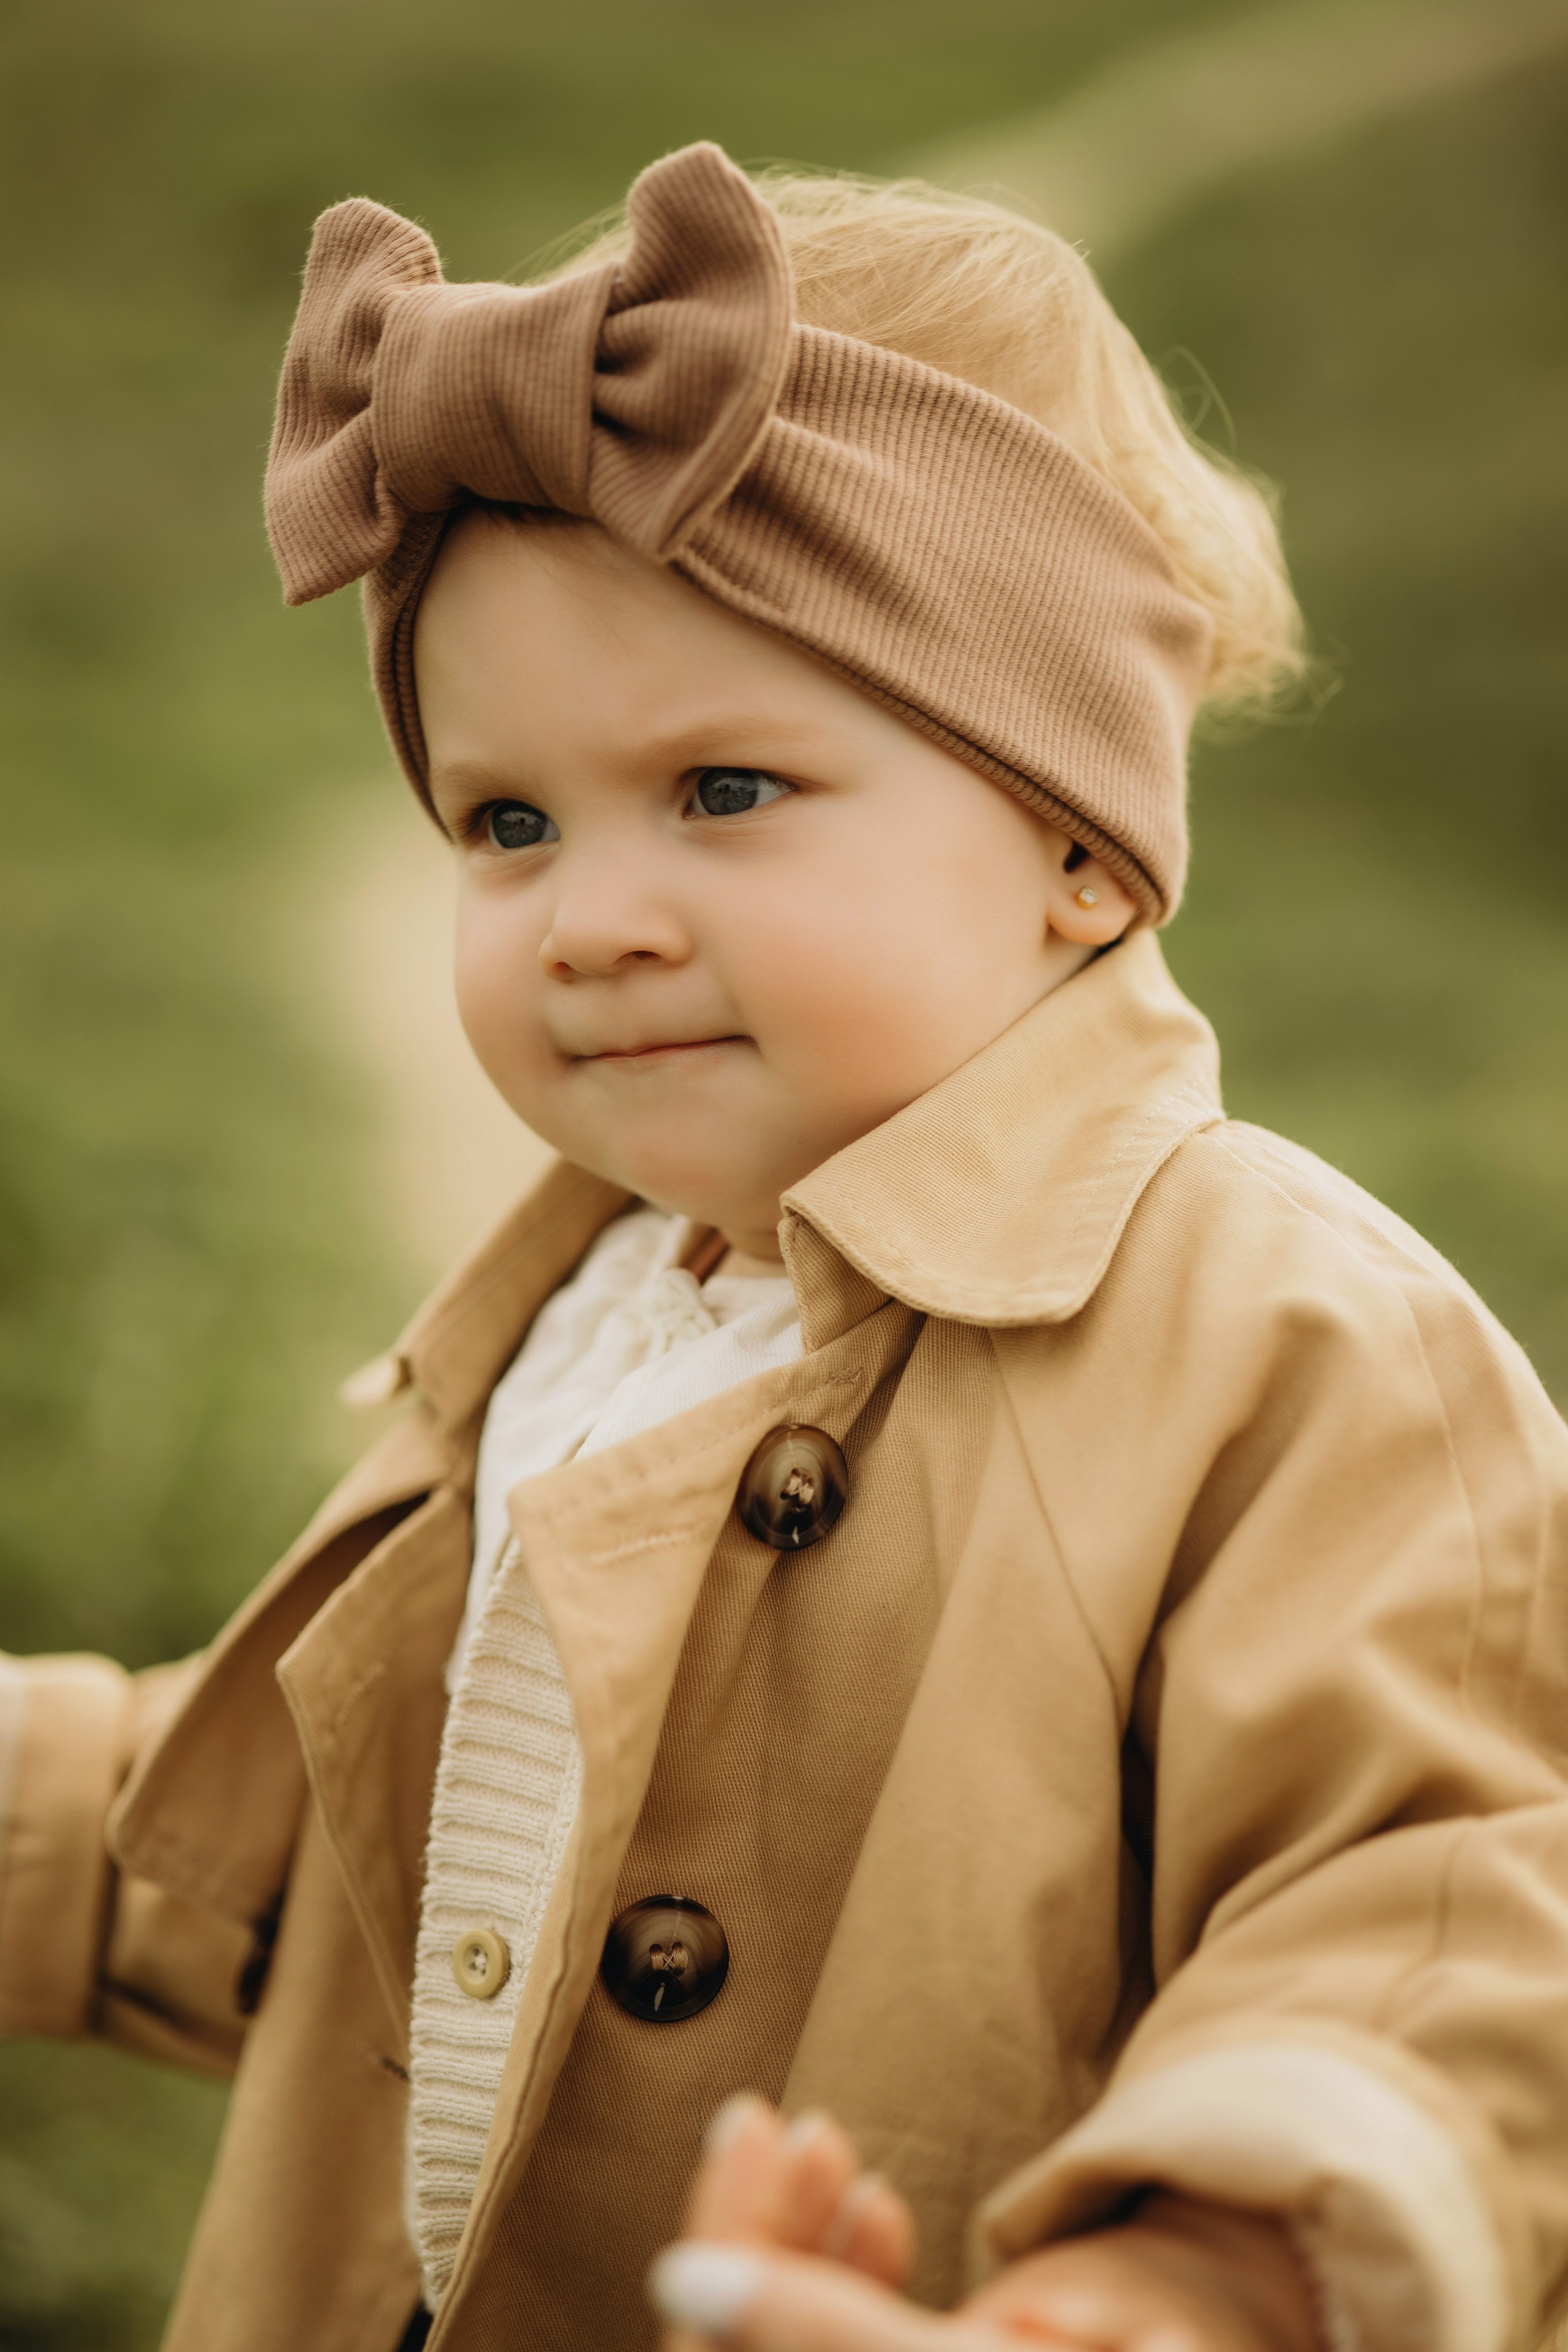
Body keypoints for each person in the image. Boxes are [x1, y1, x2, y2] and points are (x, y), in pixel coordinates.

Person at [2, 138, 1567, 2352]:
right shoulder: (600, 1297)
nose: (599, 918)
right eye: (508, 825)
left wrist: (1166, 2284)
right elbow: (400, 1878)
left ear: (1080, 847)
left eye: (726, 791)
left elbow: (1438, 1909)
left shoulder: (1287, 1338)